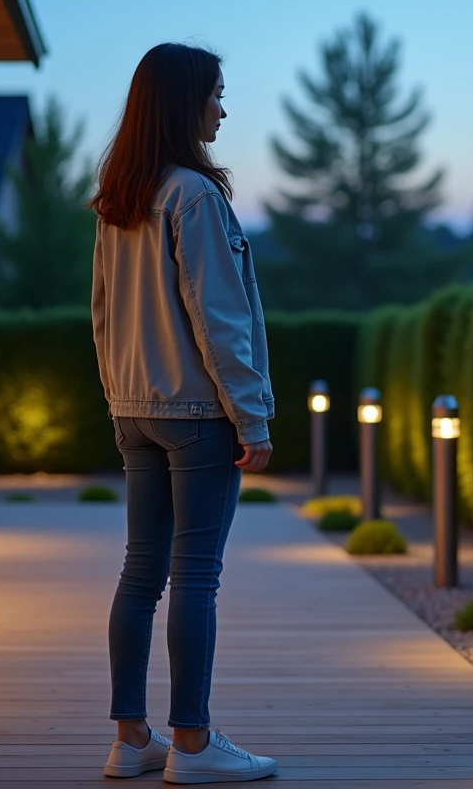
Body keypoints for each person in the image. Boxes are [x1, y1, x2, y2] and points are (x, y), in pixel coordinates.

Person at [87, 42, 279, 784]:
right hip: (198, 414)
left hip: (137, 410)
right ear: (183, 102)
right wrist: (252, 416)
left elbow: (101, 315)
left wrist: (119, 404)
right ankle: (193, 745)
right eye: (217, 94)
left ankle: (132, 739)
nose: (223, 108)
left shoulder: (119, 196)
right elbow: (218, 315)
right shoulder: (194, 196)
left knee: (142, 572)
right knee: (196, 576)